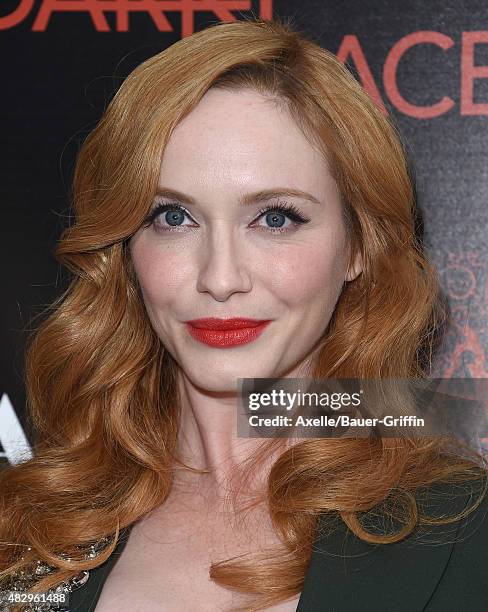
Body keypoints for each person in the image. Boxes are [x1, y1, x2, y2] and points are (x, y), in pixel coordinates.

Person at [1, 16, 487, 612]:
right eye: (173, 218)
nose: (220, 278)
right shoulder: (27, 528)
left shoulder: (467, 534)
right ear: (125, 247)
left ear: (359, 246)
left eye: (276, 218)